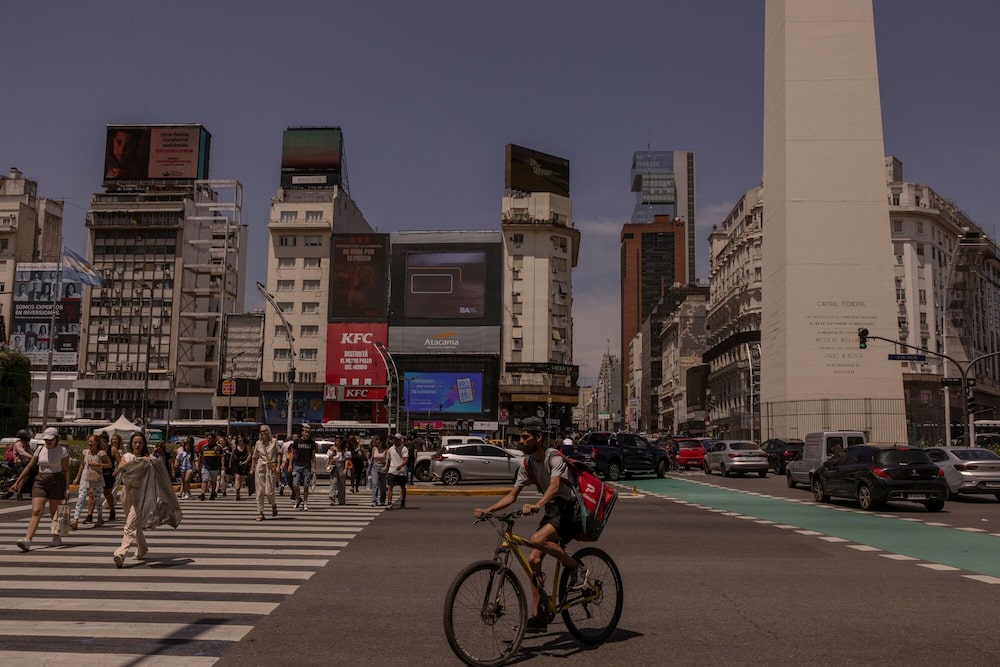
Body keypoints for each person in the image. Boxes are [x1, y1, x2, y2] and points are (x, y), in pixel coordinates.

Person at [474, 417, 588, 634]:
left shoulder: (554, 458)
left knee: (536, 540)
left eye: (525, 437)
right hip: (552, 512)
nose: (521, 441)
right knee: (533, 559)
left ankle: (575, 566)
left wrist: (537, 504)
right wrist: (489, 510)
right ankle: (539, 616)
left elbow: (554, 487)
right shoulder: (527, 464)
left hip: (569, 510)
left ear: (539, 437)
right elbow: (512, 496)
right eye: (520, 437)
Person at [11, 427, 71, 551]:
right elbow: (29, 467)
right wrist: (17, 482)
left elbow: (66, 470)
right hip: (40, 481)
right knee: (36, 511)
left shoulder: (62, 451)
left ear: (56, 439)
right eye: (46, 439)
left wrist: (67, 487)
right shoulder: (39, 449)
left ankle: (56, 536)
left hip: (57, 480)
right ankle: (27, 540)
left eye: (50, 439)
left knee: (54, 512)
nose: (48, 442)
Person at [113, 432, 150, 568]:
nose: (137, 445)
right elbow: (121, 466)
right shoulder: (128, 457)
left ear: (144, 444)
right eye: (135, 442)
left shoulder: (147, 459)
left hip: (140, 495)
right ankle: (142, 548)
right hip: (127, 494)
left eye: (140, 442)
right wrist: (134, 462)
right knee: (135, 524)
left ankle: (121, 553)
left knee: (130, 524)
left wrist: (145, 461)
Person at [71, 434, 111, 528]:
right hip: (85, 476)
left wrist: (98, 464)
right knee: (81, 497)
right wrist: (77, 477)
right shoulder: (85, 452)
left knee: (97, 499)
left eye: (92, 441)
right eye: (89, 441)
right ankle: (76, 519)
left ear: (96, 442)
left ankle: (100, 517)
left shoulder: (101, 453)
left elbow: (109, 464)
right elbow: (82, 465)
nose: (90, 443)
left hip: (96, 477)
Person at [250, 425, 280, 521]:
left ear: (268, 431)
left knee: (269, 491)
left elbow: (279, 453)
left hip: (271, 467)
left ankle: (273, 505)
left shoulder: (274, 441)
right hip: (260, 467)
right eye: (261, 432)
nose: (263, 433)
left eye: (264, 431)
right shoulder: (258, 443)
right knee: (259, 492)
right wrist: (252, 468)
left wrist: (278, 466)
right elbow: (254, 457)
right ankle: (260, 512)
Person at [290, 425, 317, 511]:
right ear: (302, 432)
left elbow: (313, 456)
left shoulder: (311, 442)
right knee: (295, 484)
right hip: (297, 465)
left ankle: (305, 503)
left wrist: (314, 468)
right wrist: (290, 464)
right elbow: (293, 453)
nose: (307, 433)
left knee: (306, 486)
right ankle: (298, 498)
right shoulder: (297, 441)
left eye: (308, 432)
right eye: (305, 432)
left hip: (307, 467)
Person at [385, 433, 409, 510]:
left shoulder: (404, 449)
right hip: (392, 470)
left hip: (401, 471)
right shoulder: (390, 449)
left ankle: (403, 500)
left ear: (400, 440)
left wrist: (401, 466)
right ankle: (389, 503)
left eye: (397, 439)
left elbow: (406, 459)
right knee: (390, 487)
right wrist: (386, 469)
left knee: (402, 487)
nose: (395, 441)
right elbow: (388, 460)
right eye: (394, 439)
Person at [198, 433, 224, 501]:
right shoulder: (204, 447)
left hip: (215, 467)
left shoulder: (218, 447)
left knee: (213, 481)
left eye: (210, 438)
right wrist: (198, 465)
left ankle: (212, 493)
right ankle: (203, 493)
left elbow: (222, 456)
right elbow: (200, 456)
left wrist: (222, 466)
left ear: (214, 439)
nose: (208, 440)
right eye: (208, 438)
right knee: (205, 480)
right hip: (205, 466)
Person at [230, 434, 251, 501]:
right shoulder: (235, 446)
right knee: (237, 477)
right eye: (239, 437)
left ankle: (238, 489)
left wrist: (246, 462)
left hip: (243, 463)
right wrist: (230, 463)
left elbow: (250, 454)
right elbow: (232, 455)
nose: (240, 439)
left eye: (241, 437)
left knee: (241, 478)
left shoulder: (246, 446)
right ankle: (237, 492)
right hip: (236, 463)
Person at [326, 438, 346, 506]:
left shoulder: (344, 450)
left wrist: (345, 469)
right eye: (336, 441)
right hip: (333, 465)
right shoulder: (332, 449)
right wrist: (327, 465)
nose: (338, 443)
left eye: (339, 441)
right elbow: (329, 458)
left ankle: (341, 500)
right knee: (333, 482)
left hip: (341, 465)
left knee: (341, 483)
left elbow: (346, 460)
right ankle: (332, 498)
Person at [368, 436, 387, 507]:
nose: (378, 443)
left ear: (382, 442)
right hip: (374, 467)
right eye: (377, 442)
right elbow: (372, 459)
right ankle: (374, 501)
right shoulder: (374, 449)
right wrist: (369, 469)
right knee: (375, 484)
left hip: (383, 467)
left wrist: (386, 468)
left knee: (383, 485)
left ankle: (382, 500)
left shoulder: (385, 450)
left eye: (379, 442)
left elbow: (387, 460)